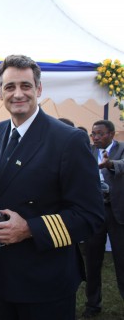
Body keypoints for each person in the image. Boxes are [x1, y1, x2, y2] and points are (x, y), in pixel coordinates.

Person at [0, 54, 104, 320]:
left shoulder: (68, 139)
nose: (18, 94)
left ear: (38, 89)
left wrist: (29, 229)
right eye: (10, 87)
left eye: (26, 86)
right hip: (2, 276)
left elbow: (90, 215)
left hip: (46, 278)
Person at [82, 120, 124, 318]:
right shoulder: (88, 151)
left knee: (121, 261)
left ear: (112, 134)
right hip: (95, 214)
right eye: (93, 134)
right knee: (92, 261)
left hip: (117, 213)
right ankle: (92, 304)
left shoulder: (122, 149)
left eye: (100, 134)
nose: (96, 137)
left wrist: (110, 164)